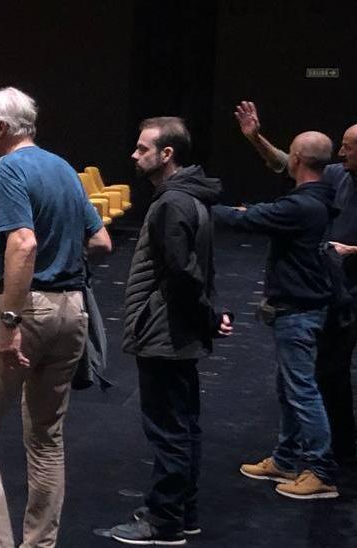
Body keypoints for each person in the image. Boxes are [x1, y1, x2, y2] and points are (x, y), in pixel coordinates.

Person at [0, 86, 112, 548]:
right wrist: (64, 261)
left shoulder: (8, 168)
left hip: (25, 308)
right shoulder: (62, 167)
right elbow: (101, 243)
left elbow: (21, 244)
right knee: (46, 437)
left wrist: (11, 322)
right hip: (72, 309)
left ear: (1, 129)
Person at [234, 102, 357, 464]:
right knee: (312, 371)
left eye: (348, 146)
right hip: (327, 284)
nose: (341, 151)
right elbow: (290, 163)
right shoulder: (338, 175)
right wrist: (255, 138)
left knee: (329, 368)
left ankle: (335, 452)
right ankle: (311, 449)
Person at [109, 116, 231, 546]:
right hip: (178, 330)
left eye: (143, 149)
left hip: (165, 334)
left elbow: (182, 274)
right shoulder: (191, 199)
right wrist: (210, 315)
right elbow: (195, 271)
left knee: (169, 431)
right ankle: (184, 512)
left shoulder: (170, 205)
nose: (134, 155)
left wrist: (206, 315)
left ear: (167, 155)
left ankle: (163, 522)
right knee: (184, 427)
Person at [215, 131, 341, 500]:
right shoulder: (321, 194)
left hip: (298, 312)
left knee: (302, 392)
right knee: (290, 390)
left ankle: (320, 471)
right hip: (303, 308)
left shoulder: (302, 205)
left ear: (298, 159)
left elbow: (249, 219)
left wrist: (195, 203)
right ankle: (286, 459)